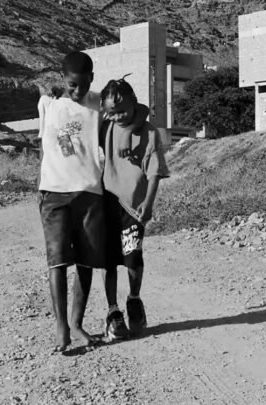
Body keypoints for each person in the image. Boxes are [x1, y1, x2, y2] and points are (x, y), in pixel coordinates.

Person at [37, 51, 104, 352]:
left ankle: (77, 323)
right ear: (63, 80)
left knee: (86, 262)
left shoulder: (100, 103)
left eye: (82, 84)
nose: (77, 91)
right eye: (71, 85)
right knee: (58, 261)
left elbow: (133, 107)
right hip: (54, 192)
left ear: (92, 77)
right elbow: (49, 146)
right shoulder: (48, 104)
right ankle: (61, 327)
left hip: (90, 192)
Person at [99, 77, 169, 340]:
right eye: (112, 112)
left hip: (134, 210)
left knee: (133, 260)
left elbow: (155, 173)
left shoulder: (149, 133)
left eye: (123, 111)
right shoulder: (106, 127)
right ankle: (113, 311)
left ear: (134, 104)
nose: (117, 116)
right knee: (108, 261)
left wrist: (148, 204)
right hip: (107, 203)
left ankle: (134, 299)